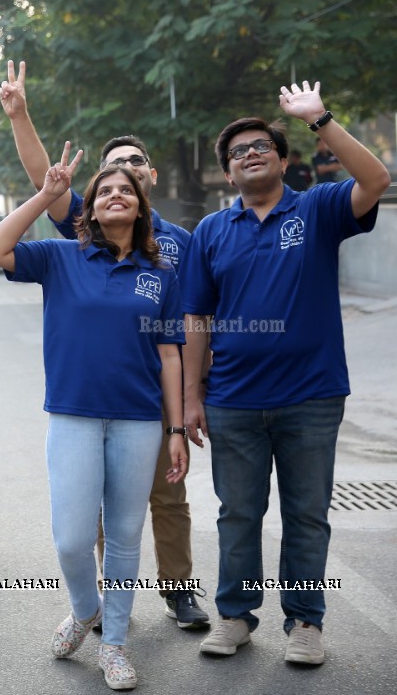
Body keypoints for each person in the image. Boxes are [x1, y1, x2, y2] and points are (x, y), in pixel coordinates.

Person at [184, 81, 390, 666]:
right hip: (232, 400)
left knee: (306, 513)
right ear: (228, 175)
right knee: (239, 514)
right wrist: (192, 397)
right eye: (238, 152)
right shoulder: (211, 232)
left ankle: (304, 622)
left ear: (283, 159)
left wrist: (319, 117)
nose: (250, 153)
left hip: (312, 396)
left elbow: (376, 181)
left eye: (261, 146)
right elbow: (196, 317)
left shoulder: (319, 208)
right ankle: (235, 617)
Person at [0, 59, 209, 630]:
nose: (124, 176)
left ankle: (178, 591)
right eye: (111, 171)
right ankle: (98, 608)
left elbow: (190, 326)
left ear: (153, 175)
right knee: (91, 513)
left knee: (168, 499)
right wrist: (21, 116)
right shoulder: (83, 237)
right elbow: (47, 179)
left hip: (155, 397)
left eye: (134, 166)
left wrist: (190, 401)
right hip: (86, 404)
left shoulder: (183, 245)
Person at [0, 147, 188, 692]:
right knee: (73, 539)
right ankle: (85, 609)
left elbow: (170, 353)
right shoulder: (60, 257)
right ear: (91, 210)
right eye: (103, 192)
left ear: (141, 207)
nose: (115, 195)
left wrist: (174, 430)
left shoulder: (160, 272)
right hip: (73, 415)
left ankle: (115, 644)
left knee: (124, 535)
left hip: (138, 420)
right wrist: (47, 195)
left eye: (126, 190)